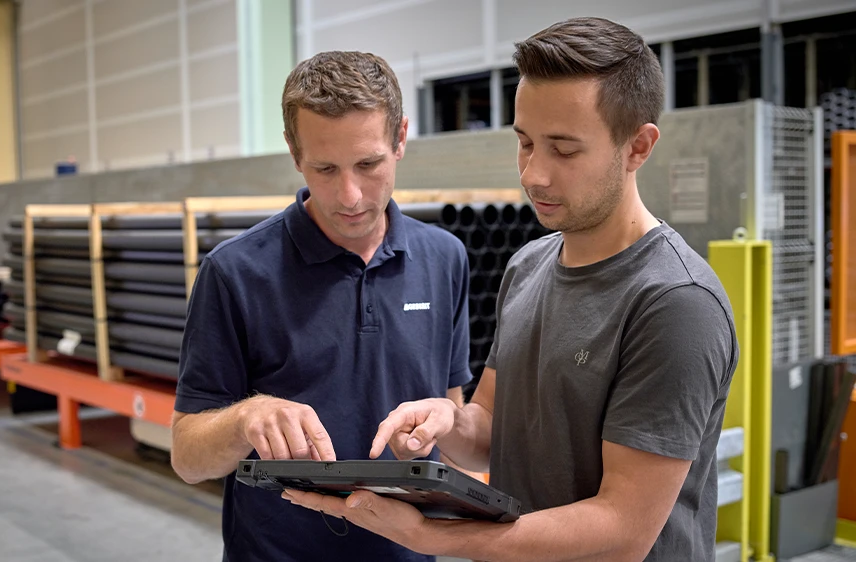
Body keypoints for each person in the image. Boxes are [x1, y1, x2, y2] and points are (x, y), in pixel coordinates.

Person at [283, 17, 739, 562]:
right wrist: (447, 422)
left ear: (638, 146)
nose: (534, 174)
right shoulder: (530, 265)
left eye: (564, 150)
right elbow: (491, 430)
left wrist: (435, 537)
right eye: (525, 143)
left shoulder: (674, 303)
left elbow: (622, 530)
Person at [170, 50, 473, 562]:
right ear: (294, 152)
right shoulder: (236, 272)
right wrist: (247, 417)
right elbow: (187, 456)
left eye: (369, 164)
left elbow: (457, 424)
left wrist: (442, 423)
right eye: (326, 168)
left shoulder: (444, 259)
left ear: (400, 138)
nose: (350, 194)